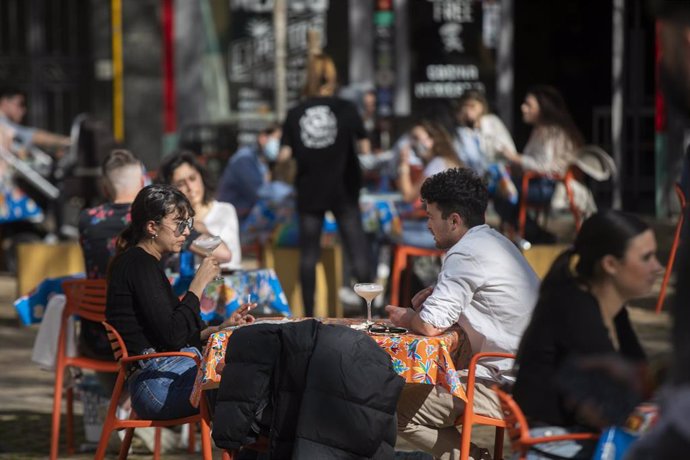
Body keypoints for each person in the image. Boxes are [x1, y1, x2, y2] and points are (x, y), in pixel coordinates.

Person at [385, 168, 540, 460]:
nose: (428, 224)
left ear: (454, 220)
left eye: (431, 216)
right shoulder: (494, 242)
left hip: (508, 384)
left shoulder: (465, 252)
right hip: (531, 374)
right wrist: (438, 291)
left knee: (392, 406)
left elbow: (430, 325)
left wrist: (406, 318)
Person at [512, 210, 661, 459]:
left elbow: (638, 375)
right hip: (559, 444)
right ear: (610, 265)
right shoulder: (575, 310)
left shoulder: (609, 307)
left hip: (572, 437)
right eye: (646, 258)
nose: (657, 267)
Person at [105, 184, 254, 419]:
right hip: (157, 385)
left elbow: (173, 330)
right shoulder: (138, 264)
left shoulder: (145, 263)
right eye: (179, 224)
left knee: (254, 372)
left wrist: (220, 327)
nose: (186, 232)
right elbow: (173, 337)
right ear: (152, 227)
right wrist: (198, 285)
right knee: (251, 382)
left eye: (189, 225)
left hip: (166, 373)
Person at [278, 53, 373, 317]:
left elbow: (283, 155)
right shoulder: (346, 108)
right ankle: (368, 312)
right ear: (333, 77)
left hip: (310, 188)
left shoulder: (295, 112)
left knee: (309, 255)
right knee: (357, 249)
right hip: (344, 186)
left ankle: (309, 315)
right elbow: (365, 147)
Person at [78, 149, 145, 360]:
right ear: (143, 182)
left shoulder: (87, 219)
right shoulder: (152, 220)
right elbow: (222, 252)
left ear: (105, 187)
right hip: (144, 338)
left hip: (97, 337)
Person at [497, 85, 585, 243]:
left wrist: (516, 158)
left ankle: (532, 234)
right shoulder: (540, 130)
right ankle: (534, 234)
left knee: (501, 191)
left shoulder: (552, 132)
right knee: (499, 187)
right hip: (538, 182)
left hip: (549, 186)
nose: (523, 108)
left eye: (529, 105)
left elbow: (544, 165)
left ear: (543, 108)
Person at [158, 151, 241, 271]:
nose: (190, 188)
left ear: (201, 176)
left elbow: (229, 258)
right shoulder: (168, 221)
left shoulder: (224, 211)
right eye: (181, 184)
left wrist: (199, 230)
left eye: (192, 178)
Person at [217, 124, 282, 222]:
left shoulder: (261, 161)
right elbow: (260, 192)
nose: (278, 145)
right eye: (277, 139)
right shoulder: (244, 159)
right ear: (263, 138)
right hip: (231, 222)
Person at [453, 89, 516, 176]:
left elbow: (509, 152)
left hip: (496, 176)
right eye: (465, 106)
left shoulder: (492, 122)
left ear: (481, 106)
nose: (468, 111)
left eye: (472, 106)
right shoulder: (461, 131)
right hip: (471, 178)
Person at [0, 86, 71, 150]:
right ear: (5, 102)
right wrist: (67, 141)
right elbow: (33, 136)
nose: (24, 110)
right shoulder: (3, 123)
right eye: (20, 104)